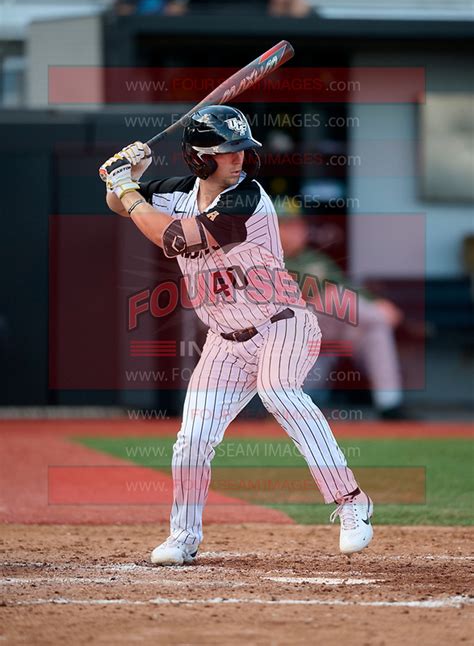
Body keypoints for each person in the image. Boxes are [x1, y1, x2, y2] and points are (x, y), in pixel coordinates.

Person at [99, 105, 374, 565]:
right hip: (224, 342)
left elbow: (175, 239)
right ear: (200, 158)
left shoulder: (248, 199)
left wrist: (126, 189)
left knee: (279, 392)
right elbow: (122, 205)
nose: (239, 158)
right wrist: (124, 174)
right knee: (192, 438)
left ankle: (352, 503)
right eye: (228, 152)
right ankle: (183, 537)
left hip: (282, 324)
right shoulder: (175, 192)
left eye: (242, 150)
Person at [278, 210, 405, 419]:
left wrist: (375, 301)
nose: (297, 231)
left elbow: (346, 286)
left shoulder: (314, 258)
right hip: (294, 338)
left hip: (329, 334)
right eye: (288, 226)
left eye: (299, 225)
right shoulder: (264, 257)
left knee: (376, 331)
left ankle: (389, 404)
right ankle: (379, 314)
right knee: (333, 297)